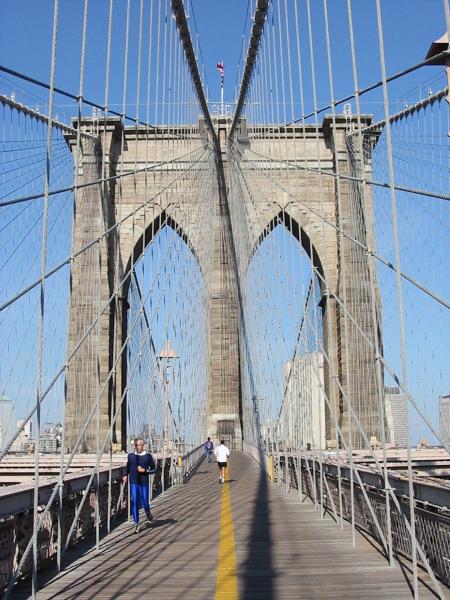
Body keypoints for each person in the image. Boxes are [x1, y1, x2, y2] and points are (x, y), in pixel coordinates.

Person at [123, 438, 156, 533]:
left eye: (139, 445)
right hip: (133, 482)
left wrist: (144, 470)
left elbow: (154, 469)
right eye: (136, 445)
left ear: (143, 445)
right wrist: (125, 475)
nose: (138, 447)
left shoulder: (148, 456)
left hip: (144, 482)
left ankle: (148, 512)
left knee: (145, 502)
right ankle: (136, 524)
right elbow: (128, 466)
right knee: (134, 502)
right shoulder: (131, 456)